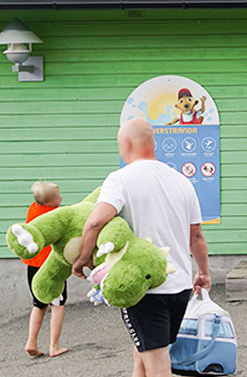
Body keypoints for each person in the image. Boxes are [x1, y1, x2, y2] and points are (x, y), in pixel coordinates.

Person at [71, 119, 210, 377]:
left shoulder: (120, 179)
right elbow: (197, 236)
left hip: (146, 290)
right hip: (179, 287)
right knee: (143, 353)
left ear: (126, 143)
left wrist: (83, 258)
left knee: (158, 366)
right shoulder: (182, 181)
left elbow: (95, 221)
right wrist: (203, 273)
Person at [23, 181, 68, 358]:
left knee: (38, 303)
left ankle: (31, 342)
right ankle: (54, 346)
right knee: (58, 304)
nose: (61, 198)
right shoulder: (55, 214)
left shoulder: (32, 209)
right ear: (49, 202)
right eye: (57, 197)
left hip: (33, 266)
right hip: (51, 268)